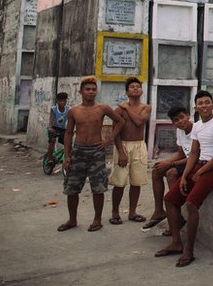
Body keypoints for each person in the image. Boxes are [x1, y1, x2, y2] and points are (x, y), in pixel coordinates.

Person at [155, 90, 213, 268]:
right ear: (196, 107)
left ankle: (189, 250)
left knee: (191, 204)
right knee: (169, 199)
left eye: (207, 102)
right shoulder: (197, 127)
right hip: (198, 166)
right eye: (200, 103)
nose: (204, 106)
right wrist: (184, 176)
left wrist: (201, 171)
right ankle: (176, 242)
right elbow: (194, 153)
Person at [57, 76, 124, 232]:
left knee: (98, 188)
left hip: (96, 152)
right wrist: (67, 156)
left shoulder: (102, 108)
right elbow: (68, 133)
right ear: (81, 91)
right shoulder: (74, 111)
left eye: (94, 89)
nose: (91, 92)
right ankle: (72, 220)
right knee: (72, 188)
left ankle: (97, 220)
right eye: (88, 89)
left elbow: (120, 121)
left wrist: (109, 140)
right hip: (78, 151)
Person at [141, 106, 194, 232]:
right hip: (186, 162)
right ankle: (159, 211)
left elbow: (195, 157)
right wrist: (165, 162)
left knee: (171, 172)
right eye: (176, 120)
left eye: (182, 117)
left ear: (188, 115)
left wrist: (171, 164)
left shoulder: (197, 130)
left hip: (197, 163)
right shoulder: (180, 131)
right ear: (173, 123)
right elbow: (181, 153)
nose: (180, 121)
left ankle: (176, 215)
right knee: (157, 170)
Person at [108, 77, 152, 224]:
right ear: (127, 92)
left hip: (139, 145)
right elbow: (115, 132)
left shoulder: (145, 108)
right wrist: (121, 151)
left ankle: (132, 212)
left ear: (141, 91)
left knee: (136, 181)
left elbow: (139, 122)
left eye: (138, 87)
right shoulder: (119, 110)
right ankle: (115, 212)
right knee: (119, 182)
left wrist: (127, 108)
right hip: (123, 145)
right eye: (132, 87)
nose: (135, 88)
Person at [43, 92, 70, 163]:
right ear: (57, 101)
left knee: (68, 142)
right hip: (54, 127)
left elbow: (71, 120)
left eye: (64, 101)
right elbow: (51, 119)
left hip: (63, 128)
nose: (62, 102)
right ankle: (49, 158)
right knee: (52, 140)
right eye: (60, 101)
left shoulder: (68, 109)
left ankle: (66, 157)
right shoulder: (54, 109)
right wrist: (50, 127)